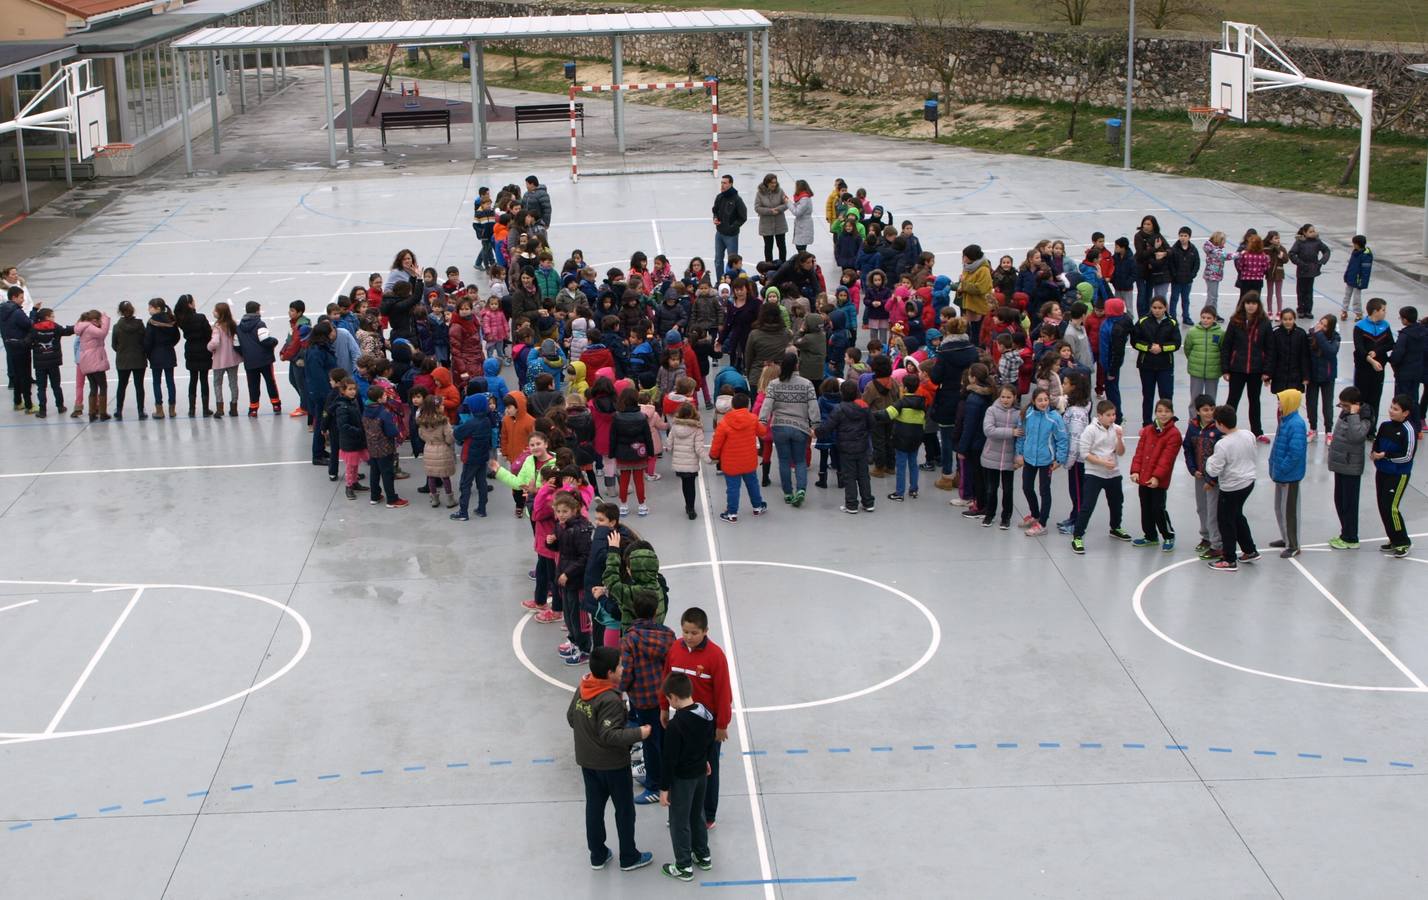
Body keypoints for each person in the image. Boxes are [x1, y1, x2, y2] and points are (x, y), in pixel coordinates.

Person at [568, 645, 654, 872]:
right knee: (625, 810)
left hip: (588, 762)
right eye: (620, 666)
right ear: (609, 673)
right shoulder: (610, 700)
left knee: (594, 808)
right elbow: (610, 734)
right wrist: (640, 733)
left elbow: (570, 717)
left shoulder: (583, 687)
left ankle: (597, 855)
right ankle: (629, 856)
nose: (623, 668)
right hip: (613, 766)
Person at [660, 607, 732, 831]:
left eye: (694, 633)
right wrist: (664, 708)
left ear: (705, 631)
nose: (689, 637)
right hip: (681, 724)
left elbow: (724, 693)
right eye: (685, 632)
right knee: (681, 769)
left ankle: (707, 815)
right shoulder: (674, 650)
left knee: (709, 770)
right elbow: (666, 680)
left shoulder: (716, 656)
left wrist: (722, 725)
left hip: (706, 727)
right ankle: (681, 811)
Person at [658, 671, 716, 883]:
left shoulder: (676, 725)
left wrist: (664, 789)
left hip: (683, 779)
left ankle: (683, 866)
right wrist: (706, 761)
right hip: (701, 775)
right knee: (697, 815)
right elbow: (709, 742)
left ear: (673, 697)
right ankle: (703, 855)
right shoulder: (706, 713)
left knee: (679, 821)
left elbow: (669, 760)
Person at [619, 590, 676, 806]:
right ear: (655, 611)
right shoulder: (668, 635)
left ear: (634, 610)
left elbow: (626, 671)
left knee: (650, 742)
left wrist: (620, 692)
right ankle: (663, 778)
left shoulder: (630, 639)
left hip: (642, 698)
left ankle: (655, 785)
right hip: (665, 698)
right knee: (662, 738)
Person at [1070, 400, 1131, 554]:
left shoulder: (1117, 429)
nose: (1112, 418)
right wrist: (1103, 463)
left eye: (1114, 414)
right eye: (1109, 415)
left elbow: (1121, 452)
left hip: (1113, 473)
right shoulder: (1090, 430)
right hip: (1094, 474)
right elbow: (1084, 454)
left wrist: (1119, 439)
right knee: (1087, 505)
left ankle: (1115, 528)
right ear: (1099, 416)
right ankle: (1077, 536)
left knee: (1117, 503)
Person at [1205, 405, 1261, 572]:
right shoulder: (1248, 434)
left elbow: (1214, 470)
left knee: (1226, 521)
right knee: (1236, 515)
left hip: (1231, 487)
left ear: (1221, 424)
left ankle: (1229, 559)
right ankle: (1249, 549)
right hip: (1248, 481)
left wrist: (1209, 460)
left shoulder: (1223, 444)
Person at [759, 352, 819, 506]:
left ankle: (787, 493)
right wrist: (815, 426)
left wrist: (762, 422)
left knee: (784, 461)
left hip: (779, 427)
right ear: (797, 365)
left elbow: (767, 405)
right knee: (799, 461)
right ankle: (800, 490)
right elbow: (813, 406)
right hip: (800, 427)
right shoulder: (807, 384)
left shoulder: (774, 384)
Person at [1015, 385, 1069, 535]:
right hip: (1029, 459)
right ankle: (1035, 514)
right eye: (1040, 400)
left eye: (1045, 399)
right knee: (1026, 487)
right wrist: (1019, 453)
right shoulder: (1027, 414)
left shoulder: (1055, 417)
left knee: (1044, 491)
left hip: (1047, 461)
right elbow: (1021, 435)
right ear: (1033, 401)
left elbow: (1062, 439)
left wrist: (1059, 459)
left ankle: (1042, 523)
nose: (1043, 403)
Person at [1129, 398, 1180, 551]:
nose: (1163, 415)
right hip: (1143, 477)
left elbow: (1167, 460)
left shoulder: (1174, 434)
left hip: (1158, 480)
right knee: (1145, 507)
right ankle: (1150, 535)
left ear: (1172, 413)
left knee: (1158, 508)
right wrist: (1135, 470)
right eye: (1160, 411)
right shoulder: (1148, 430)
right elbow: (1139, 452)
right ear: (1155, 413)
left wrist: (1157, 477)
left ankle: (1168, 535)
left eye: (1166, 411)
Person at [1220, 292, 1271, 441]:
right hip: (1237, 368)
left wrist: (1267, 370)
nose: (1250, 306)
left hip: (1256, 370)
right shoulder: (1235, 321)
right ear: (1243, 304)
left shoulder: (1265, 323)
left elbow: (1270, 348)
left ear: (1258, 305)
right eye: (1248, 303)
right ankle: (1226, 429)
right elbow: (1227, 346)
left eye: (1253, 303)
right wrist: (1225, 369)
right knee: (1232, 400)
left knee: (1254, 400)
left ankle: (1257, 431)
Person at [1372, 394, 1418, 558]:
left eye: (1396, 409)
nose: (1391, 411)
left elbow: (1407, 456)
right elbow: (1376, 443)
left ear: (1405, 413)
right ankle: (1393, 538)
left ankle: (1403, 541)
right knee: (1383, 506)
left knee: (1391, 507)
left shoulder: (1409, 430)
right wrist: (1374, 453)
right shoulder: (1385, 426)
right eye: (1391, 407)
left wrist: (1385, 455)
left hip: (1398, 474)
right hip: (1382, 471)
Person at [709, 392, 766, 523]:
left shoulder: (724, 423)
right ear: (748, 405)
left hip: (731, 463)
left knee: (733, 488)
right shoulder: (752, 419)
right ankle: (757, 506)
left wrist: (713, 455)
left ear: (732, 405)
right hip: (749, 460)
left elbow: (717, 441)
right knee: (753, 484)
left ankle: (732, 513)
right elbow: (762, 432)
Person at [1326, 387, 1372, 549]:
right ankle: (1345, 533)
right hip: (1341, 464)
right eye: (1341, 405)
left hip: (1351, 465)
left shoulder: (1363, 417)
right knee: (1340, 500)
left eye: (1346, 406)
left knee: (1349, 503)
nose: (1343, 409)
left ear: (1356, 405)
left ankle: (1351, 537)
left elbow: (1356, 436)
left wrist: (1353, 415)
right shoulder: (1346, 413)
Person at [1182, 395, 1223, 560]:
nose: (1209, 413)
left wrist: (1212, 478)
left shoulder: (1219, 428)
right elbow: (1188, 449)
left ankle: (1217, 544)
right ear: (1197, 411)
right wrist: (1193, 469)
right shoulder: (1192, 427)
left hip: (1214, 479)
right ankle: (1206, 537)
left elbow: (1222, 456)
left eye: (1212, 409)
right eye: (1205, 410)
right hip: (1199, 476)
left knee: (1214, 511)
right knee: (1202, 508)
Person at [1131, 296, 1179, 426]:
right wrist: (1148, 348)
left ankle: (1167, 423)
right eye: (1154, 308)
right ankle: (1146, 423)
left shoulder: (1172, 322)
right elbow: (1134, 341)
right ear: (1151, 308)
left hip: (1165, 366)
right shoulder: (1142, 322)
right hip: (1146, 365)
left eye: (1160, 308)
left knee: (1166, 395)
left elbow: (1176, 344)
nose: (1157, 311)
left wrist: (1162, 348)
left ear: (1165, 308)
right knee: (1148, 395)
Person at [979, 384, 1020, 529]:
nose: (1005, 400)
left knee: (1008, 490)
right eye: (1003, 396)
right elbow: (989, 430)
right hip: (991, 457)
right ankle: (989, 514)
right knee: (991, 488)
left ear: (1014, 397)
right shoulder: (991, 411)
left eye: (1009, 397)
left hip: (1009, 458)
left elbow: (1021, 435)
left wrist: (1018, 456)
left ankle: (1006, 517)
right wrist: (1011, 432)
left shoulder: (1018, 414)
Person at [24, 306, 73, 418]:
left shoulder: (34, 328)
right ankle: (60, 406)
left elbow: (27, 342)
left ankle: (42, 410)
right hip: (53, 363)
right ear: (47, 317)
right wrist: (78, 326)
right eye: (52, 316)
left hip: (40, 364)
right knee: (56, 385)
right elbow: (67, 331)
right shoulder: (55, 327)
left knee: (41, 388)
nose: (54, 318)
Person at [363, 384, 407, 508]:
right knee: (387, 473)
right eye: (384, 395)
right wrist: (398, 434)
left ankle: (375, 495)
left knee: (374, 471)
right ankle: (392, 499)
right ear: (379, 399)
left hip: (372, 446)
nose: (386, 396)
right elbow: (391, 431)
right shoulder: (384, 413)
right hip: (385, 448)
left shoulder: (366, 410)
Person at [236, 300, 281, 417]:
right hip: (264, 359)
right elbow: (265, 340)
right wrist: (275, 341)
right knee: (270, 381)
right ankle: (276, 404)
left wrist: (245, 353)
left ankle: (253, 408)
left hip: (249, 361)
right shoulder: (260, 324)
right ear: (257, 311)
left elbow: (236, 345)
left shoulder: (239, 327)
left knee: (253, 385)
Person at [1353, 297, 1394, 420]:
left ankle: (1372, 429)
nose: (1385, 312)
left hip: (1379, 368)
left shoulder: (1385, 326)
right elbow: (1359, 348)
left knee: (1375, 398)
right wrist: (1370, 359)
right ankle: (1360, 425)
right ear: (1375, 311)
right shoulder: (1360, 326)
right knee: (1361, 397)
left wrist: (1376, 352)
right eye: (1383, 310)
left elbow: (1390, 343)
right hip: (1363, 368)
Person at [173, 295, 213, 417]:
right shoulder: (200, 318)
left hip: (190, 349)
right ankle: (205, 409)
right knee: (204, 379)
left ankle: (192, 409)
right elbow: (208, 334)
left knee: (193, 379)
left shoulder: (181, 319)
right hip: (203, 349)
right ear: (190, 304)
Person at [1183, 306, 1223, 415]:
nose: (1205, 320)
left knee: (1211, 399)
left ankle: (1210, 422)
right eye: (1203, 317)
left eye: (1209, 318)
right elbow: (1187, 349)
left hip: (1213, 371)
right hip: (1196, 371)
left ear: (1214, 319)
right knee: (1195, 399)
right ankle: (1194, 421)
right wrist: (1194, 361)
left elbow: (1222, 350)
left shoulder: (1220, 333)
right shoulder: (1192, 332)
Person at [1390, 306, 1427, 423]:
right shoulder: (1423, 331)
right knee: (1414, 398)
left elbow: (1397, 355)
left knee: (1401, 400)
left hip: (1404, 372)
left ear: (1405, 320)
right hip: (1417, 371)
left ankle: (1402, 422)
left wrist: (1391, 361)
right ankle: (1415, 424)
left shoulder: (1405, 335)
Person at [111, 300, 147, 420]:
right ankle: (141, 411)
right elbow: (144, 341)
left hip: (123, 360)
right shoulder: (140, 325)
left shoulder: (117, 327)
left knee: (121, 385)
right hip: (138, 359)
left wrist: (122, 351)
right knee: (139, 386)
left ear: (120, 312)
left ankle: (119, 410)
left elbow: (114, 345)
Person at [1306, 314, 1340, 441]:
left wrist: (1318, 334)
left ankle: (1328, 431)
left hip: (1328, 377)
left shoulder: (1335, 338)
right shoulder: (1310, 336)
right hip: (1313, 377)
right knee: (1311, 404)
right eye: (1321, 323)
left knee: (1327, 405)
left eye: (1325, 326)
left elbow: (1330, 351)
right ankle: (1313, 428)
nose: (1321, 327)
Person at [1288, 223, 1330, 318]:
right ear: (1304, 232)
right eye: (1310, 231)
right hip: (1302, 270)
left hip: (1312, 270)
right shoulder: (1299, 242)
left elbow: (1326, 251)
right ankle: (1301, 309)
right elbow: (1292, 253)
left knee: (1309, 291)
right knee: (1301, 290)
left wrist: (1321, 262)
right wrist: (1300, 263)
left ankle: (1308, 310)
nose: (1313, 233)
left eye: (1313, 231)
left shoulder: (1317, 242)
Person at [75, 309, 111, 422]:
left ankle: (92, 413)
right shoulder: (90, 328)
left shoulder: (83, 328)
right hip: (95, 360)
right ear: (95, 320)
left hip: (86, 361)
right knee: (103, 386)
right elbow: (103, 333)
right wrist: (106, 320)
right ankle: (102, 412)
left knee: (93, 387)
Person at [207, 301, 242, 418]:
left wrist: (209, 347)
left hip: (219, 360)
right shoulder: (233, 324)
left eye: (215, 310)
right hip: (233, 359)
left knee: (217, 383)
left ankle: (220, 408)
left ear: (220, 313)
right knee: (233, 383)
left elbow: (215, 342)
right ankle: (234, 407)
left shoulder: (217, 327)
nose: (213, 312)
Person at [711, 175, 747, 280]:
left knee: (732, 262)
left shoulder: (737, 199)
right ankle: (720, 282)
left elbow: (743, 217)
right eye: (721, 182)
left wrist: (732, 227)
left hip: (731, 236)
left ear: (731, 184)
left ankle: (733, 282)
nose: (722, 185)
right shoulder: (719, 197)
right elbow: (715, 210)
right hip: (719, 234)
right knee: (718, 260)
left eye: (725, 183)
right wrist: (715, 218)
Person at [753, 173, 790, 264]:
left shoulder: (780, 191)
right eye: (771, 183)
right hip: (766, 225)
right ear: (767, 183)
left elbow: (786, 203)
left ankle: (783, 265)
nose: (774, 184)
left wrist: (778, 209)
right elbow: (757, 208)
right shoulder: (760, 194)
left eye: (775, 182)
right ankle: (768, 266)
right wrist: (770, 211)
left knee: (781, 246)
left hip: (780, 223)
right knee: (768, 247)